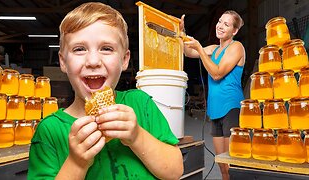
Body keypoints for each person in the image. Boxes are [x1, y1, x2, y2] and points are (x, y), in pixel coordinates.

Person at [28, 2, 183, 179]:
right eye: (79, 49)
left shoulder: (141, 104)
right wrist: (77, 162)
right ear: (63, 62)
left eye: (106, 48)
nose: (93, 61)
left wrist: (137, 136)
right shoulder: (49, 130)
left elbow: (175, 171)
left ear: (124, 60)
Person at [181, 10, 245, 180]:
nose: (220, 26)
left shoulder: (236, 47)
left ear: (234, 31)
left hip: (231, 109)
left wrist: (200, 51)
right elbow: (188, 52)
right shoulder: (213, 49)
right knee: (222, 165)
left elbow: (217, 73)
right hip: (215, 111)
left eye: (226, 24)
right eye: (219, 21)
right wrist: (181, 33)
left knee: (233, 165)